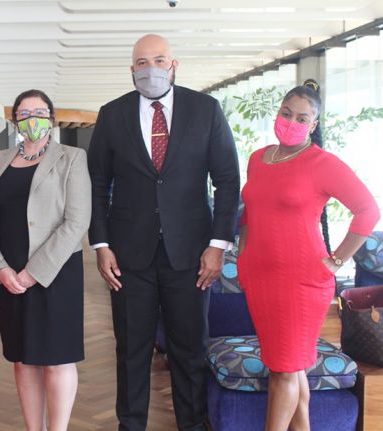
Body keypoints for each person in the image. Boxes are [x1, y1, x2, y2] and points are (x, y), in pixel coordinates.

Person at [88, 34, 240, 430]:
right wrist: (101, 244)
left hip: (192, 256)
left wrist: (217, 245)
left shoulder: (205, 110)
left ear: (175, 65)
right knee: (131, 349)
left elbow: (226, 179)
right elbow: (97, 182)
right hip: (126, 256)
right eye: (141, 62)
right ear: (132, 69)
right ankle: (131, 424)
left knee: (190, 350)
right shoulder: (112, 114)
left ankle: (192, 424)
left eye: (159, 60)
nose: (150, 68)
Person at [237, 80, 380, 431]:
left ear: (313, 125)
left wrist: (337, 259)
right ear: (278, 113)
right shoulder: (258, 158)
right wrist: (242, 257)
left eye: (302, 118)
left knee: (283, 371)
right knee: (290, 364)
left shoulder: (322, 163)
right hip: (259, 277)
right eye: (286, 113)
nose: (292, 121)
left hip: (300, 281)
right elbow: (249, 213)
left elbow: (367, 210)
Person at [0, 89, 91, 431]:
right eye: (24, 113)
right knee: (23, 360)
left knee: (57, 360)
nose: (32, 119)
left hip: (54, 274)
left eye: (39, 112)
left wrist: (33, 273)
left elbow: (76, 222)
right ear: (15, 121)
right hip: (8, 275)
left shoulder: (71, 157)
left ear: (51, 119)